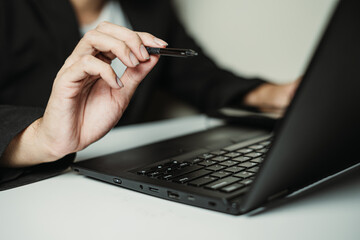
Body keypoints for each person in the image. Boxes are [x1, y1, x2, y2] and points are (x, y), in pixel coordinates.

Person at [0, 0, 299, 189]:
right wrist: (41, 140)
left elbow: (199, 76)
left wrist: (271, 94)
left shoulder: (151, 7)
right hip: (39, 188)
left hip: (124, 179)